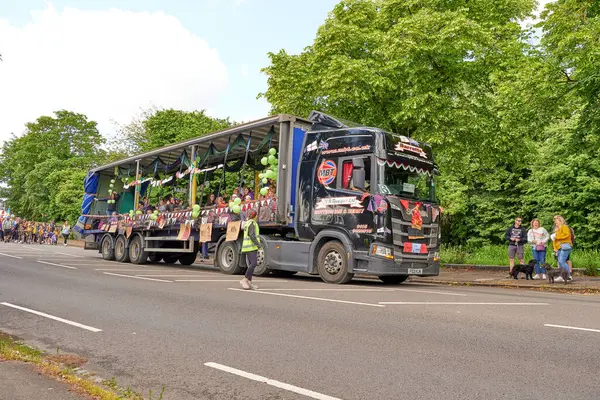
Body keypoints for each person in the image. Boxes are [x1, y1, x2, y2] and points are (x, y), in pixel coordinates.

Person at [240, 209, 261, 290]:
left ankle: (249, 282)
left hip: (248, 246)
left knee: (252, 264)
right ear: (255, 216)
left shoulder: (248, 222)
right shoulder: (252, 223)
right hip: (251, 247)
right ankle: (245, 279)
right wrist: (258, 245)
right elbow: (252, 235)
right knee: (254, 264)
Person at [551, 215, 573, 282]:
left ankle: (568, 276)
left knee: (561, 261)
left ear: (560, 221)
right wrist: (555, 248)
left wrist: (557, 237)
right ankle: (562, 275)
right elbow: (555, 240)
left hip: (565, 246)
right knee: (560, 263)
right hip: (559, 247)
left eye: (556, 221)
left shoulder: (564, 227)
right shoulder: (557, 229)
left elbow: (567, 235)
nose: (555, 222)